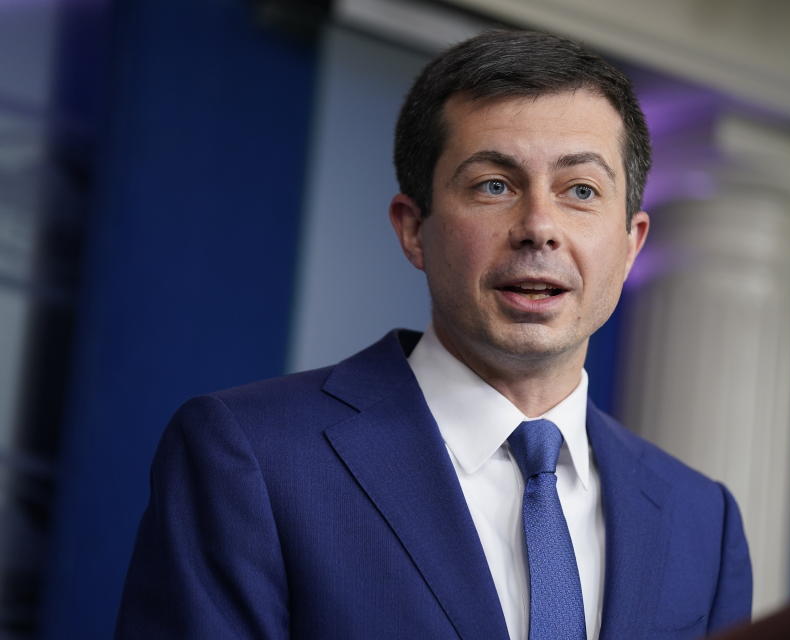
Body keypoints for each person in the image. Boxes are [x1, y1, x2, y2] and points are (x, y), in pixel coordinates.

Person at [116, 30, 751, 639]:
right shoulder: (249, 456)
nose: (539, 227)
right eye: (494, 186)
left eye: (579, 190)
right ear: (413, 228)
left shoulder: (703, 522)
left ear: (631, 242)